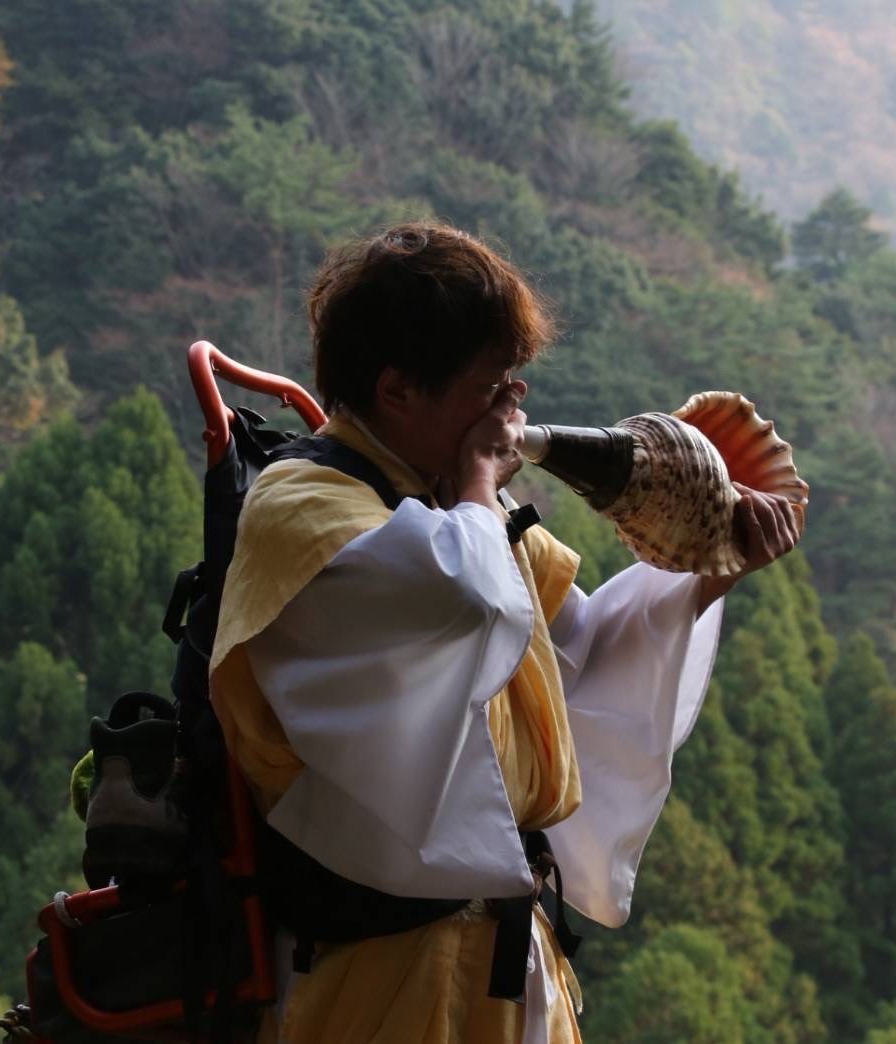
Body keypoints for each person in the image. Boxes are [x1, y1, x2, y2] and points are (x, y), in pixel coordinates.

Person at [207, 223, 800, 1044]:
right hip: (384, 976)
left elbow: (580, 644)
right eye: (491, 387)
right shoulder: (303, 508)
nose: (511, 410)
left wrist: (710, 568)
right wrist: (482, 481)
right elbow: (471, 602)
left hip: (506, 957)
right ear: (398, 389)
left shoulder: (447, 504)